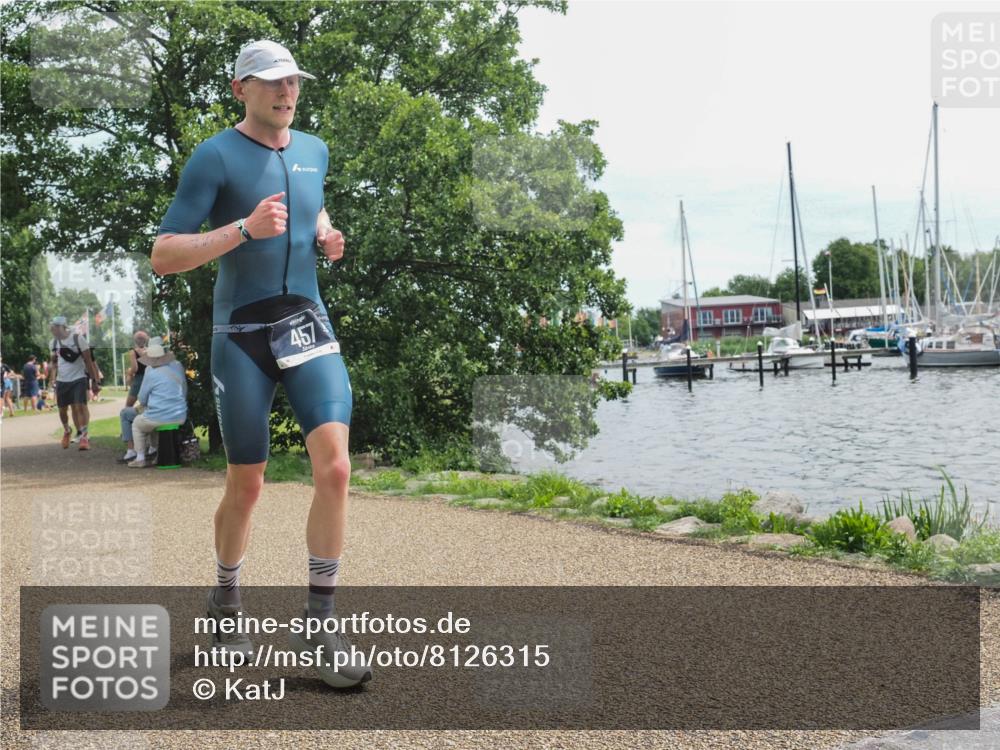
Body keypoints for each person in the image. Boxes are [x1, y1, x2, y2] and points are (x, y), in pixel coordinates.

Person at [151, 40, 369, 687]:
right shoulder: (214, 156)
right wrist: (242, 230)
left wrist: (325, 231)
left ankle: (319, 622)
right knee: (247, 486)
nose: (287, 91)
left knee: (335, 466)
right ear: (240, 86)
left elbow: (310, 201)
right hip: (240, 333)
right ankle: (224, 600)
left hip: (307, 320)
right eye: (272, 81)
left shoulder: (315, 151)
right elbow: (164, 253)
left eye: (293, 81)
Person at [118, 337, 187, 467]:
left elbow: (142, 398)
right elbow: (183, 390)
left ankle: (139, 457)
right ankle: (155, 451)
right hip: (180, 414)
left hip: (160, 415)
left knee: (138, 424)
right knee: (152, 418)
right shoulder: (178, 365)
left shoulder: (150, 371)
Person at [49, 316, 102, 450]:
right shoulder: (53, 343)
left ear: (62, 327)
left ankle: (84, 436)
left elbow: (88, 361)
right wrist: (52, 379)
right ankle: (67, 430)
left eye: (54, 327)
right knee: (62, 410)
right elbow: (54, 363)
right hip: (62, 380)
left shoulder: (78, 339)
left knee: (79, 406)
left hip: (79, 378)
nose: (52, 330)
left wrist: (94, 380)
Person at [125, 330, 149, 407]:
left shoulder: (133, 352)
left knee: (128, 406)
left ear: (135, 341)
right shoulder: (150, 350)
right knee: (147, 404)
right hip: (150, 377)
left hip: (139, 378)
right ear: (146, 340)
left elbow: (135, 368)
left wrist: (129, 372)